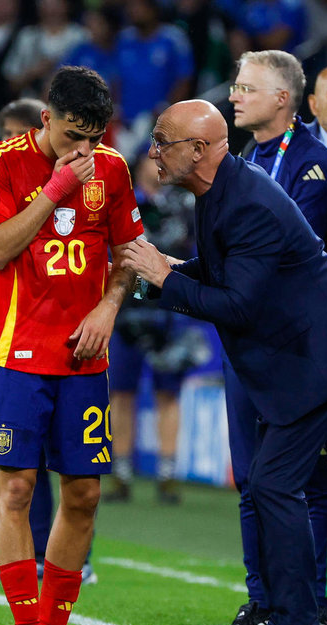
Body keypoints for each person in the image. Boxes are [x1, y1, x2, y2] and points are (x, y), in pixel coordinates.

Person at [120, 99, 327, 625]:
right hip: (298, 356)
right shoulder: (220, 193)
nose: (154, 150)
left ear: (201, 149)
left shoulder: (247, 203)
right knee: (268, 487)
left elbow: (237, 304)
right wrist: (157, 276)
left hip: (317, 358)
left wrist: (164, 276)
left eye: (164, 140)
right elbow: (220, 280)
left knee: (272, 488)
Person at [0, 66, 140, 625]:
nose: (85, 150)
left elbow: (128, 254)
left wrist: (109, 309)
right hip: (19, 355)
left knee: (84, 495)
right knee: (17, 488)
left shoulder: (114, 169)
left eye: (94, 137)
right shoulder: (3, 161)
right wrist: (55, 190)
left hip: (84, 360)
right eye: (74, 136)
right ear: (46, 119)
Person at [217, 49, 327, 625]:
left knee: (303, 480)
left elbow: (288, 255)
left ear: (283, 100)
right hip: (244, 340)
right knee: (250, 475)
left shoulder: (314, 164)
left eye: (248, 88)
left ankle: (319, 598)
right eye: (237, 87)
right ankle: (263, 596)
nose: (235, 96)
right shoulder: (244, 159)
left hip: (291, 346)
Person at [103, 152, 199, 506]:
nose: (156, 163)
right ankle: (122, 474)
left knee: (168, 394)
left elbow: (193, 254)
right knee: (122, 394)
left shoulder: (185, 203)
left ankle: (168, 475)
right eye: (150, 157)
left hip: (168, 311)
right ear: (137, 166)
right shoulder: (121, 203)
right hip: (128, 311)